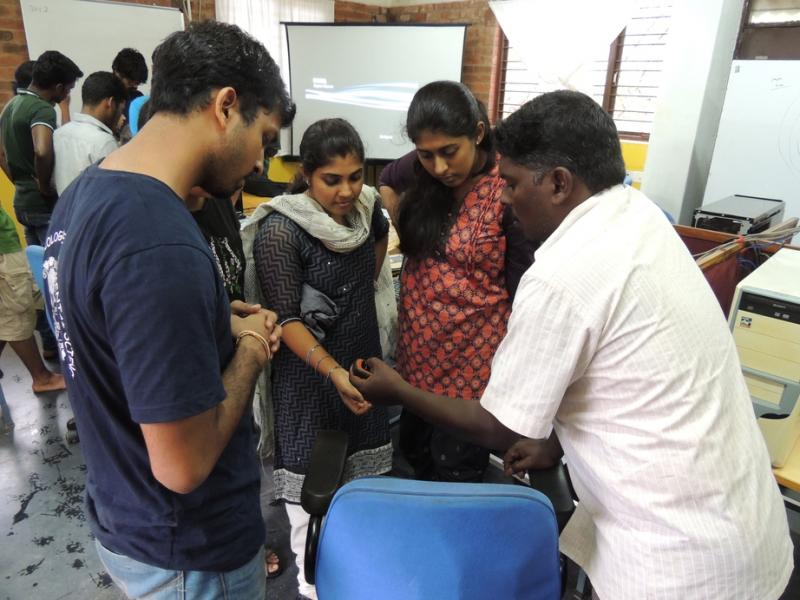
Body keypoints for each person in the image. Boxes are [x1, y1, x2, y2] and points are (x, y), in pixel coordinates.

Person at [351, 90, 794, 600]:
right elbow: (616, 370)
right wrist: (554, 441)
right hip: (742, 527)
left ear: (560, 182)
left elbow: (499, 425)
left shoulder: (563, 274)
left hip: (677, 563)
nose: (507, 198)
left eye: (513, 184)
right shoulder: (639, 216)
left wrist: (400, 392)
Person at [43, 21, 295, 599]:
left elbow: (109, 336)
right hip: (191, 553)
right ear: (226, 106)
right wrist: (253, 348)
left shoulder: (86, 195)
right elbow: (183, 467)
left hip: (124, 514)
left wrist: (208, 315)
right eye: (264, 136)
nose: (258, 164)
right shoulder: (158, 243)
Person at [250, 118, 392, 600]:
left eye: (356, 176)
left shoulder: (368, 208)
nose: (348, 190)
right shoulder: (281, 231)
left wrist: (354, 296)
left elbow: (376, 242)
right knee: (310, 501)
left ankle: (358, 575)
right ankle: (314, 589)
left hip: (359, 367)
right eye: (332, 179)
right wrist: (331, 371)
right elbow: (286, 320)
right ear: (307, 174)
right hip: (307, 379)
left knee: (362, 489)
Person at [393, 80, 534, 483]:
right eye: (426, 155)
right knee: (414, 455)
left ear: (476, 132)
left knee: (454, 473)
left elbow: (524, 293)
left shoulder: (505, 191)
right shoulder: (425, 176)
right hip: (417, 361)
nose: (438, 167)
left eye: (449, 152)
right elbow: (388, 176)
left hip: (470, 375)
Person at [0, 51, 82, 246]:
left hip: (22, 202)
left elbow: (1, 154)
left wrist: (21, 181)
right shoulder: (42, 109)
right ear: (59, 88)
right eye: (68, 90)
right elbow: (42, 150)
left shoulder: (10, 106)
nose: (66, 96)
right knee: (57, 266)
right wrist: (44, 186)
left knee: (40, 266)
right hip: (44, 207)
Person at [0, 202, 64, 395]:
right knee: (15, 314)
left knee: (12, 312)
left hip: (6, 245)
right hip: (3, 252)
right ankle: (41, 378)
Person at [53, 71, 127, 195]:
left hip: (64, 209)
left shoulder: (59, 134)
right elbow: (115, 192)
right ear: (110, 103)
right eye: (121, 109)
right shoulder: (104, 142)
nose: (122, 116)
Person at [112, 47, 148, 124]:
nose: (135, 87)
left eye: (137, 83)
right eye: (129, 82)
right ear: (116, 73)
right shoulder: (102, 94)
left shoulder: (138, 98)